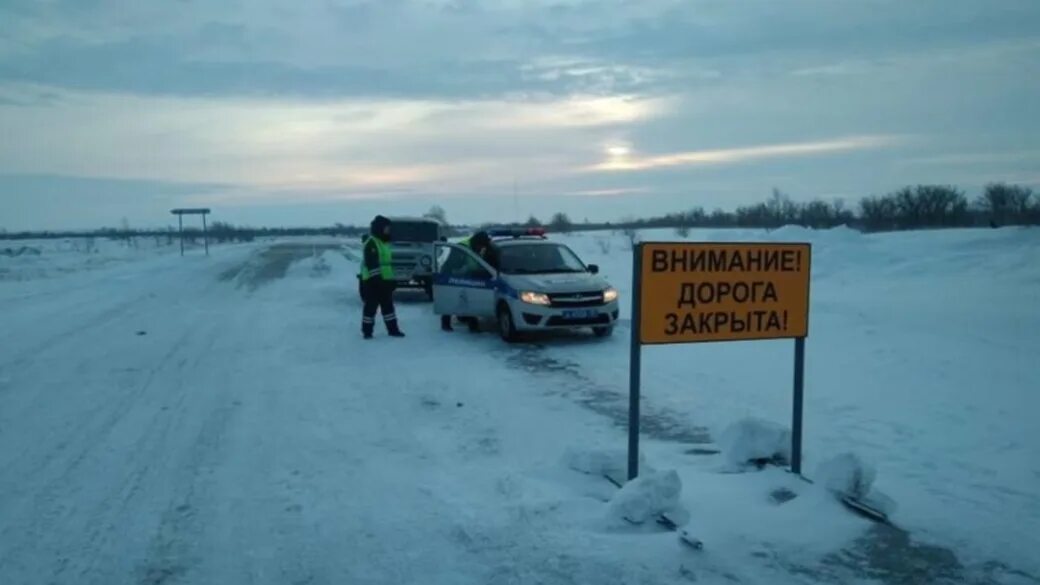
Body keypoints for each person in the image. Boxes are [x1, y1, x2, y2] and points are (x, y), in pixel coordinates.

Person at [441, 231, 499, 332]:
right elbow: (452, 266)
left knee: (469, 298)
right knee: (451, 299)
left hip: (469, 276)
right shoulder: (462, 247)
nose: (482, 248)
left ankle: (471, 321)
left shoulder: (480, 246)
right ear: (477, 243)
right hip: (452, 276)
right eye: (481, 246)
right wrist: (462, 271)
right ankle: (446, 322)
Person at [360, 215, 405, 339]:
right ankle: (367, 332)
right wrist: (378, 281)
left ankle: (393, 330)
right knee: (370, 308)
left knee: (388, 308)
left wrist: (391, 281)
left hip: (384, 281)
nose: (388, 230)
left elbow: (386, 265)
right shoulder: (372, 243)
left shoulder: (383, 243)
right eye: (386, 228)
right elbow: (372, 265)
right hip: (372, 282)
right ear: (380, 228)